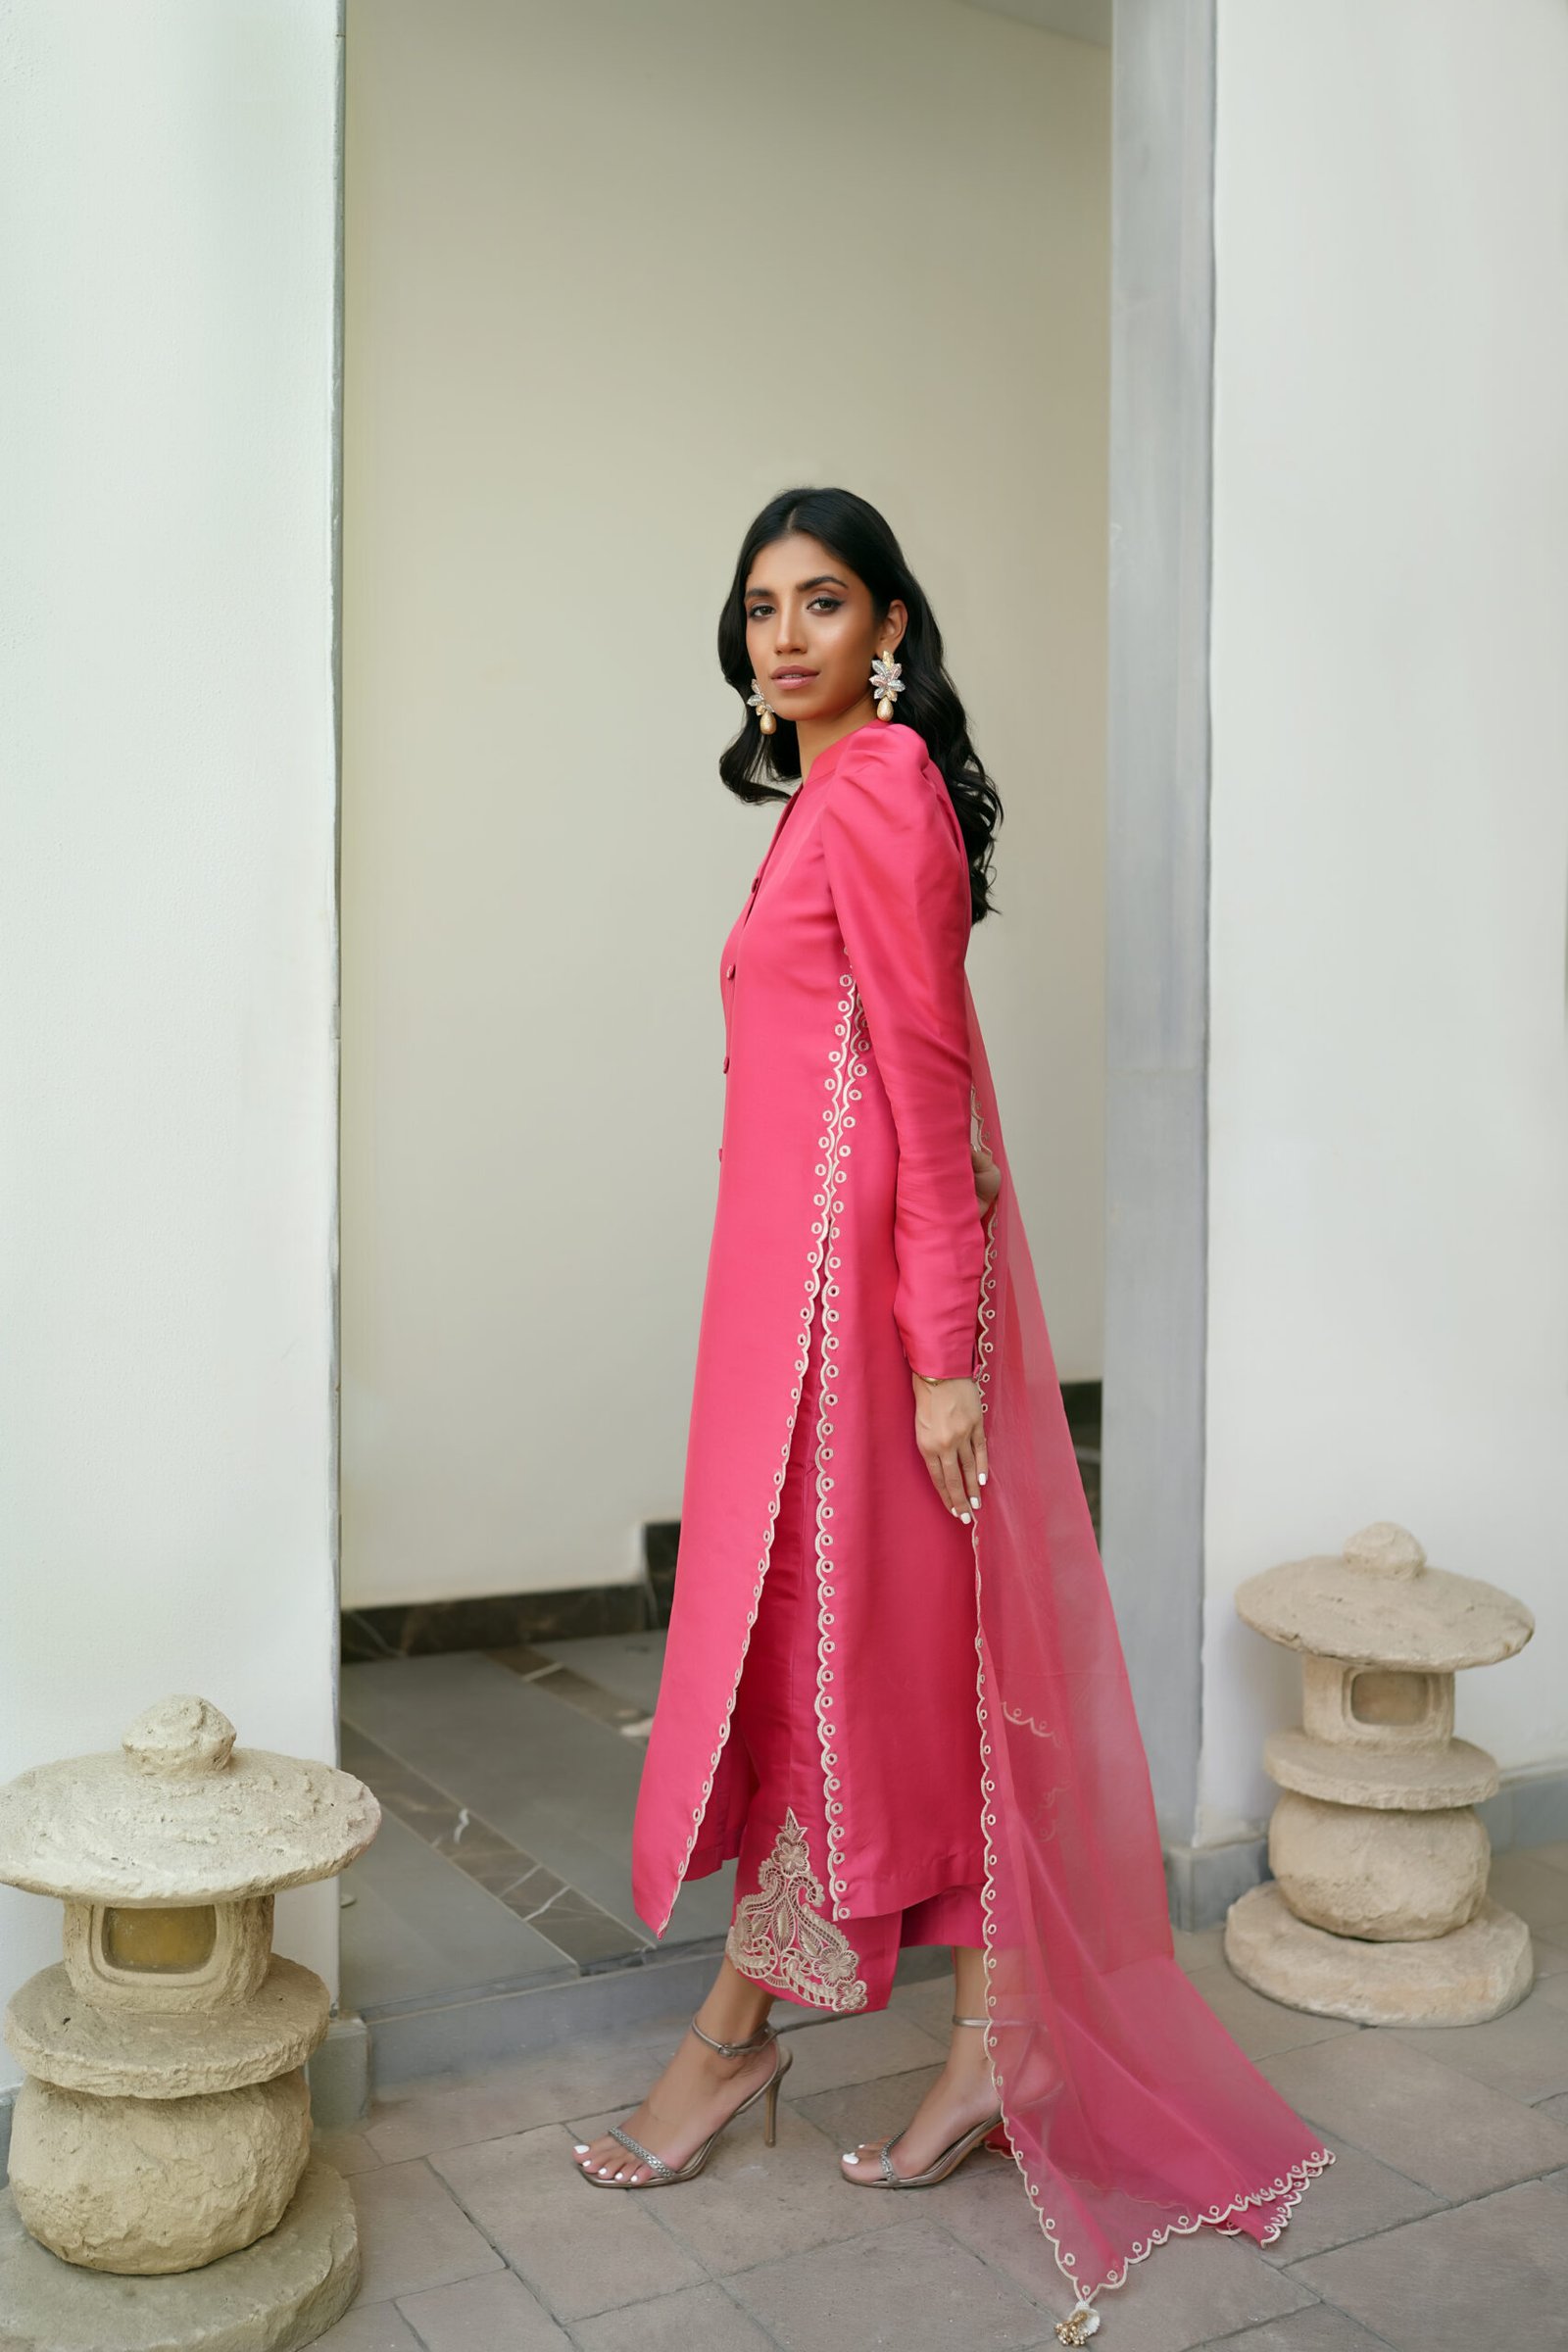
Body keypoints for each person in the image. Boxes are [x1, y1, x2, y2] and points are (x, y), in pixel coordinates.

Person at [570, 488, 1329, 2342]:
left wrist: (936, 1354)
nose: (784, 635)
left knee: (840, 1673)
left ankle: (737, 2039)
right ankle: (981, 2044)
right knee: (877, 1673)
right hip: (787, 1311)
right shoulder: (825, 797)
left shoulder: (886, 785)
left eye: (822, 601)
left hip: (855, 1326)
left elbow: (921, 1077)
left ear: (889, 625)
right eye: (761, 607)